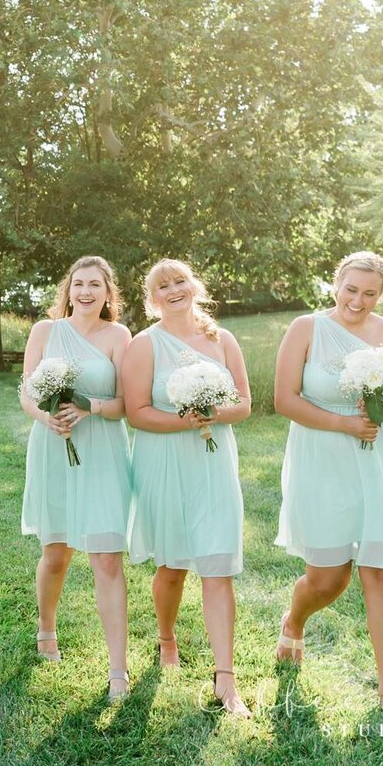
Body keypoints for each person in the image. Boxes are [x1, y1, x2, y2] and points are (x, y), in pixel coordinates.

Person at [273, 251, 383, 720]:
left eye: (369, 293)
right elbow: (284, 399)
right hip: (322, 462)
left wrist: (379, 411)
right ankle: (294, 619)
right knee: (328, 578)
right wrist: (343, 423)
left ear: (381, 295)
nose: (357, 301)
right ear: (335, 284)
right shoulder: (306, 328)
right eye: (351, 289)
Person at [122, 259, 253, 718]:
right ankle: (166, 638)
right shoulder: (144, 345)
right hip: (163, 464)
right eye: (163, 285)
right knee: (173, 566)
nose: (173, 289)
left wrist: (213, 414)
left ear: (195, 286)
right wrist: (183, 418)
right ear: (152, 297)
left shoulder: (222, 340)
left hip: (215, 462)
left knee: (217, 566)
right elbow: (136, 412)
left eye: (180, 281)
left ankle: (226, 679)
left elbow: (243, 403)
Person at [19, 257, 133, 700]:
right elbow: (29, 391)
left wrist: (91, 409)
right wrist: (47, 419)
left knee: (107, 559)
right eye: (78, 284)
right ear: (67, 290)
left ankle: (118, 670)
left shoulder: (119, 336)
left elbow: (126, 401)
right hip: (53, 445)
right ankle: (46, 627)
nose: (85, 292)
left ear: (108, 293)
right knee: (57, 552)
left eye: (95, 285)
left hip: (103, 448)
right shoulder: (44, 332)